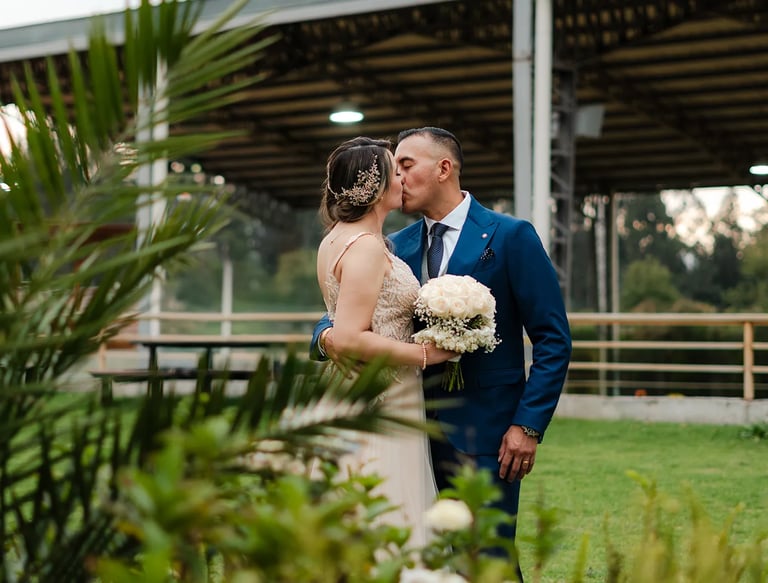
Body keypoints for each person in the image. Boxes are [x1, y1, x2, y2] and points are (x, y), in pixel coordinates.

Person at [312, 127, 572, 578]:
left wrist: (527, 424)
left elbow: (553, 339)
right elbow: (347, 311)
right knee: (414, 551)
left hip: (486, 430)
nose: (398, 176)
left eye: (406, 166)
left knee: (487, 556)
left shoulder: (510, 236)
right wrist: (325, 337)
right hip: (406, 424)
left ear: (444, 168)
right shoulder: (395, 246)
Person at [314, 136, 456, 546]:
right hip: (384, 391)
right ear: (375, 186)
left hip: (357, 386)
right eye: (397, 170)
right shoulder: (366, 248)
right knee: (388, 508)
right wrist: (426, 353)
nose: (403, 178)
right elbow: (349, 335)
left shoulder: (335, 239)